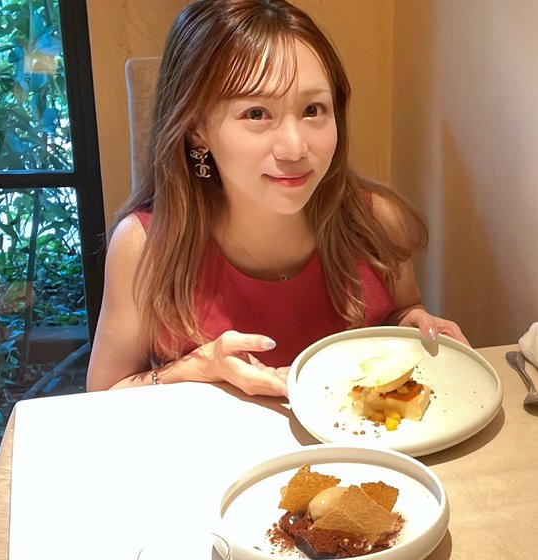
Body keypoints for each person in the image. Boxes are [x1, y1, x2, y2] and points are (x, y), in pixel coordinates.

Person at [87, 0, 465, 397]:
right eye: (256, 114)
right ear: (197, 129)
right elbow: (103, 396)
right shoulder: (144, 246)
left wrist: (414, 322)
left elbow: (401, 310)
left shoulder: (377, 222)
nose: (294, 147)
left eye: (313, 109)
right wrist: (193, 367)